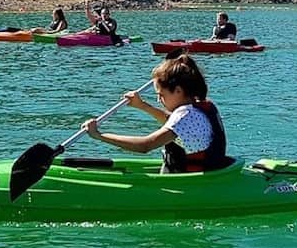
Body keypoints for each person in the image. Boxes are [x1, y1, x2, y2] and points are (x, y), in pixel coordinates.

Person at [81, 54, 233, 173]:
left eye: (161, 95)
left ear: (178, 90)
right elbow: (171, 122)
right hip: (204, 174)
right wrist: (142, 106)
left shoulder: (186, 115)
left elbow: (145, 146)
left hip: (191, 185)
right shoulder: (198, 107)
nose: (159, 99)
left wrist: (99, 135)